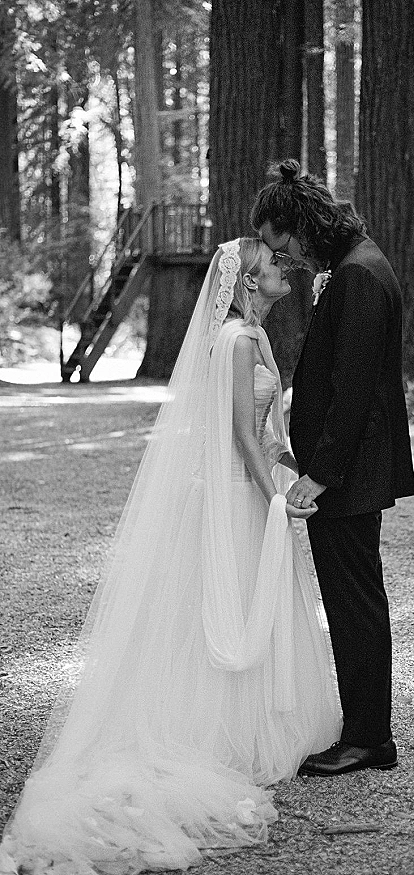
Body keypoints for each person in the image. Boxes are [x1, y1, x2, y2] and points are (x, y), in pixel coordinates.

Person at [0, 238, 341, 875]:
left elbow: (270, 433)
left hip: (259, 484)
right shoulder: (237, 342)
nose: (283, 267)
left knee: (249, 606)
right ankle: (219, 734)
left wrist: (298, 468)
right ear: (247, 282)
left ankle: (254, 724)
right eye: (271, 262)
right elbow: (241, 435)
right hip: (238, 495)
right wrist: (276, 502)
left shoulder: (257, 336)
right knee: (227, 608)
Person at [252, 159, 414, 777]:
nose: (285, 258)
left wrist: (319, 474)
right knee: (351, 597)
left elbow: (353, 389)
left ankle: (370, 738)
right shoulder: (350, 266)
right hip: (343, 472)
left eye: (283, 244)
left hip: (347, 477)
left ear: (300, 225)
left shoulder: (358, 276)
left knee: (354, 602)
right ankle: (364, 728)